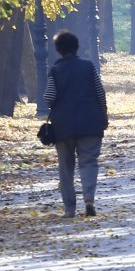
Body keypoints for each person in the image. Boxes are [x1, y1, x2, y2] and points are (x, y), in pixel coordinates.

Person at [43, 30, 108, 218]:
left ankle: (69, 209)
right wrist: (103, 115)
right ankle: (89, 199)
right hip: (90, 123)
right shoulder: (88, 67)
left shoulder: (55, 70)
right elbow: (100, 92)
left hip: (63, 126)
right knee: (88, 162)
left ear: (58, 50)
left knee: (66, 167)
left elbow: (49, 97)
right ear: (76, 47)